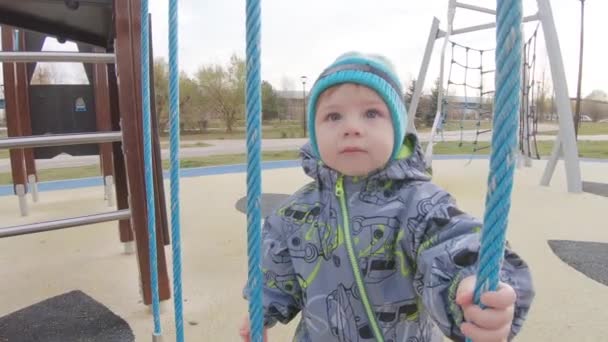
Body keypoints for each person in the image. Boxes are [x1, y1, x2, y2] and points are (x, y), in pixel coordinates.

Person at [240, 52, 534, 342]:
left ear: (397, 129)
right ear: (314, 136)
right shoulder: (293, 214)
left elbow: (454, 241)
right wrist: (260, 311)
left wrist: (471, 282)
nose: (351, 128)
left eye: (371, 113)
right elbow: (276, 275)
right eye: (333, 116)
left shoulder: (420, 203)